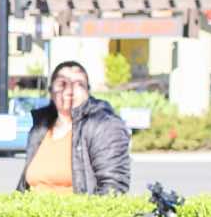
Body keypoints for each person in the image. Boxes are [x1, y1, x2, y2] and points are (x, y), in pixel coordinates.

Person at [17, 59, 131, 195]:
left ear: (88, 91)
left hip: (77, 209)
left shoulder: (104, 125)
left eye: (79, 84)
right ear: (51, 91)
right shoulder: (40, 127)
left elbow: (113, 188)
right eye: (62, 84)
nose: (69, 91)